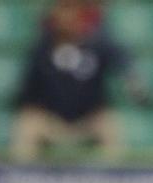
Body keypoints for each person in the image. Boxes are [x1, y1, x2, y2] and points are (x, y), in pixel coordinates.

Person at [11, 0, 140, 161]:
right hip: (53, 121)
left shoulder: (97, 44)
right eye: (63, 10)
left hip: (87, 120)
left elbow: (120, 58)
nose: (67, 16)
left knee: (109, 125)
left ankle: (110, 182)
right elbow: (25, 93)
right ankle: (23, 180)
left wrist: (132, 80)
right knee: (28, 124)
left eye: (72, 10)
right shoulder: (41, 48)